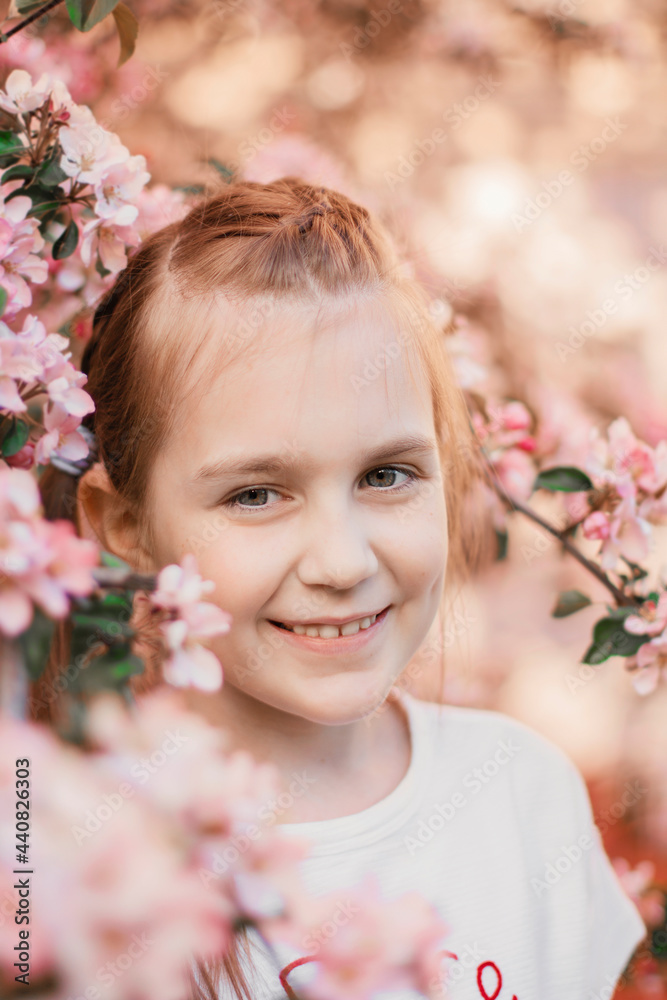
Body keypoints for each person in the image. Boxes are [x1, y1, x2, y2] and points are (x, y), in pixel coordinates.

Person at [36, 177, 647, 1000]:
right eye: (255, 493)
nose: (343, 562)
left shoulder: (522, 798)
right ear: (125, 527)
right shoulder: (63, 845)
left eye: (386, 475)